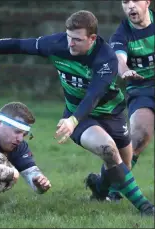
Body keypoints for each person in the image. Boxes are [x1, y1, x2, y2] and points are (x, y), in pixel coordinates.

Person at [0, 10, 154, 215]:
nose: (70, 44)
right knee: (109, 150)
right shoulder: (55, 44)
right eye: (68, 37)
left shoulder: (106, 58)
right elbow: (19, 45)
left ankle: (99, 188)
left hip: (112, 114)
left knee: (122, 165)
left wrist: (73, 120)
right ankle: (146, 208)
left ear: (92, 38)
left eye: (77, 39)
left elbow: (93, 96)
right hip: (79, 116)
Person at [106, 0, 154, 201]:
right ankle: (114, 190)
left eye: (135, 0)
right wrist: (125, 72)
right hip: (142, 89)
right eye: (126, 2)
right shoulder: (121, 34)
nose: (131, 6)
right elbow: (119, 60)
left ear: (148, 2)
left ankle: (101, 183)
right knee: (140, 136)